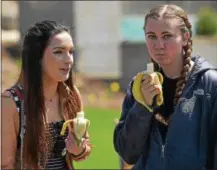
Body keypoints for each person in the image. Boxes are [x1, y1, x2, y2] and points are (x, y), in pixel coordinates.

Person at [113, 4, 217, 170]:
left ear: (185, 37)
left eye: (167, 36)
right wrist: (143, 106)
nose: (159, 45)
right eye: (152, 36)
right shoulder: (138, 85)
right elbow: (128, 153)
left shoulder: (210, 85)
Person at [2, 20, 92, 169]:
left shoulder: (72, 96)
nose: (69, 60)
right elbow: (5, 165)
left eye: (71, 52)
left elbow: (84, 147)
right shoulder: (11, 102)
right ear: (37, 57)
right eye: (59, 52)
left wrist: (79, 149)